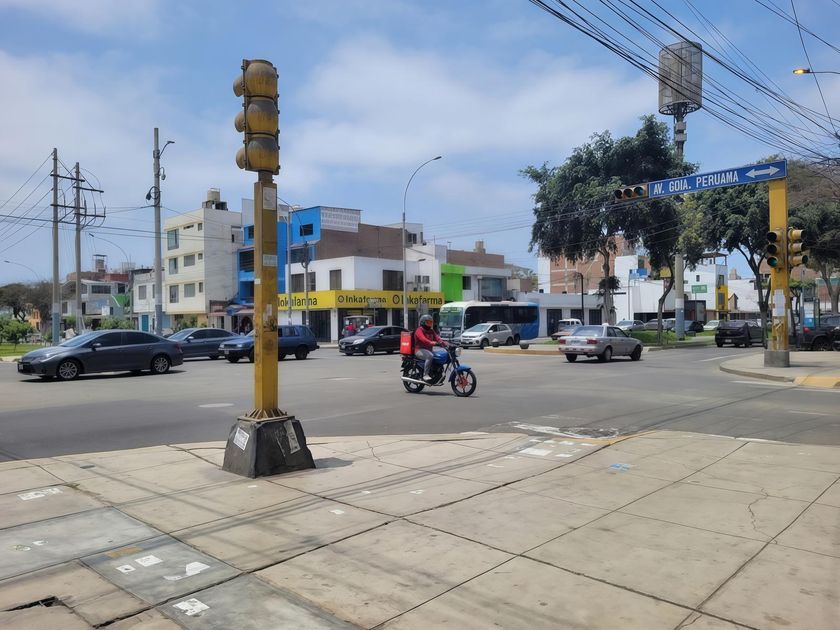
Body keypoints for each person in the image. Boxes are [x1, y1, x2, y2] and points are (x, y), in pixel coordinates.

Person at [414, 314, 447, 382]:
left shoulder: (431, 331)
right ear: (423, 322)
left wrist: (446, 344)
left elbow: (437, 338)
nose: (429, 324)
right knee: (430, 356)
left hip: (428, 350)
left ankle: (436, 372)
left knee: (439, 355)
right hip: (419, 350)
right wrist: (432, 342)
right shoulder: (419, 330)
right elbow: (423, 339)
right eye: (428, 322)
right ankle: (425, 375)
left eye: (430, 322)